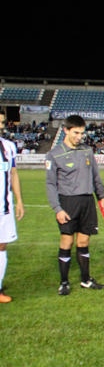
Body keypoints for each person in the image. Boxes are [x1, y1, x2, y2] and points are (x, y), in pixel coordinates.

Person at [45, 115, 104, 295]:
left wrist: (101, 195)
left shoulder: (87, 151)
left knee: (84, 240)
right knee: (67, 241)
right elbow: (50, 184)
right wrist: (57, 209)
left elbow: (96, 176)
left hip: (87, 201)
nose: (79, 137)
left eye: (82, 133)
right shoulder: (54, 154)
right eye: (76, 133)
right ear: (66, 130)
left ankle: (86, 280)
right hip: (67, 202)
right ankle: (64, 282)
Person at [0, 111, 24, 303]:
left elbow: (13, 174)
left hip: (5, 208)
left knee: (2, 246)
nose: (2, 126)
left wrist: (19, 200)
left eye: (2, 122)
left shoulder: (8, 146)